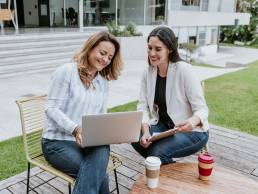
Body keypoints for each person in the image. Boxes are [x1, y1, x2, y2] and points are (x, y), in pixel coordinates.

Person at [41, 31, 123, 194]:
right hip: (57, 142)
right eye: (102, 53)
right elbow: (51, 108)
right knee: (99, 175)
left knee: (102, 147)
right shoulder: (67, 72)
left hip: (88, 141)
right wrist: (76, 129)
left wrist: (113, 133)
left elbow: (100, 116)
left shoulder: (102, 82)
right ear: (90, 48)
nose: (105, 59)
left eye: (110, 57)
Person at [132, 26, 209, 164]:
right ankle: (162, 165)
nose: (152, 53)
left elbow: (202, 110)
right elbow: (142, 106)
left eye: (158, 49)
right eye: (149, 48)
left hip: (192, 131)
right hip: (164, 128)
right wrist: (145, 132)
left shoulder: (184, 70)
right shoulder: (148, 72)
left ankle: (161, 167)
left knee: (157, 153)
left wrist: (191, 122)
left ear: (170, 49)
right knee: (133, 136)